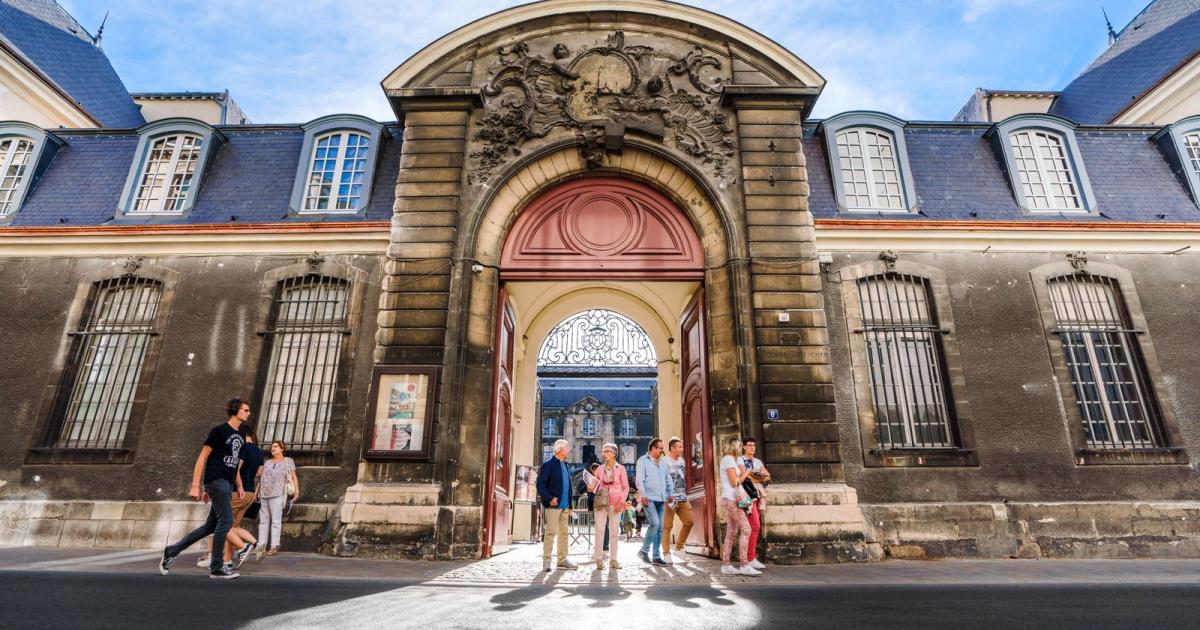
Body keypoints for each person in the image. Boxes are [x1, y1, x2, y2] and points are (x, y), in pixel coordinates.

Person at [159, 398, 256, 580]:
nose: (248, 413)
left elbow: (234, 463)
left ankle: (171, 551)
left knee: (210, 525)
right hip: (217, 481)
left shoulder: (242, 435)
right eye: (246, 410)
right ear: (235, 411)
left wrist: (240, 485)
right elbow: (203, 457)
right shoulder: (219, 431)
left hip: (225, 484)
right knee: (226, 521)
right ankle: (217, 567)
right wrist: (197, 485)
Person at [195, 428, 262, 569]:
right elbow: (260, 473)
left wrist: (238, 485)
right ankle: (227, 560)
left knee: (221, 524)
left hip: (237, 492)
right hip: (249, 493)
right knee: (232, 527)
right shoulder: (259, 452)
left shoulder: (242, 448)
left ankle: (240, 548)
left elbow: (235, 469)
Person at [719, 437, 760, 576]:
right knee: (747, 529)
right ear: (734, 447)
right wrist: (746, 473)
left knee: (731, 531)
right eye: (739, 446)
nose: (740, 448)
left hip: (730, 499)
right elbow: (734, 482)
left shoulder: (728, 460)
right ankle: (744, 564)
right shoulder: (729, 460)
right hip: (731, 499)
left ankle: (726, 564)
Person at [535, 439, 577, 572]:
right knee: (550, 533)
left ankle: (562, 560)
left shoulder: (565, 465)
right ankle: (546, 561)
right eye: (567, 448)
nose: (569, 450)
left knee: (564, 533)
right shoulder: (548, 465)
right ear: (559, 450)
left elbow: (568, 486)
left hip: (565, 506)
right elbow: (540, 484)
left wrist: (570, 505)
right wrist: (549, 498)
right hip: (553, 505)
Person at [256, 439, 298, 559]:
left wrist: (296, 491)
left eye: (275, 446)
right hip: (264, 493)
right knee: (263, 521)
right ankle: (261, 546)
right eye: (272, 447)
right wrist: (256, 492)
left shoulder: (288, 461)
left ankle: (274, 546)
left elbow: (293, 477)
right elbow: (262, 478)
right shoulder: (268, 462)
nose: (273, 448)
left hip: (277, 493)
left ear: (282, 448)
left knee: (276, 521)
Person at [634, 438, 674, 565]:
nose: (662, 450)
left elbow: (668, 479)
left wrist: (671, 493)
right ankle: (644, 550)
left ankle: (656, 556)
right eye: (660, 448)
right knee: (655, 524)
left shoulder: (663, 463)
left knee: (660, 528)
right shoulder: (642, 461)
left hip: (661, 499)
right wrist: (643, 494)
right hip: (649, 498)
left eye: (662, 448)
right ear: (652, 448)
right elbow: (639, 479)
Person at [591, 443, 628, 569]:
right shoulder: (599, 469)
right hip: (601, 502)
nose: (604, 453)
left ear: (614, 454)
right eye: (603, 451)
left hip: (616, 503)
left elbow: (626, 487)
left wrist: (622, 502)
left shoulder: (621, 468)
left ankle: (613, 560)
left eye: (607, 451)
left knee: (614, 533)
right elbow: (595, 486)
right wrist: (591, 487)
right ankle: (599, 560)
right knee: (599, 531)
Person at [661, 436, 694, 563]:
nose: (682, 449)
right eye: (680, 446)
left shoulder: (682, 461)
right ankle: (666, 553)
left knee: (689, 521)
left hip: (682, 498)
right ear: (672, 448)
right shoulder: (663, 461)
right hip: (669, 498)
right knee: (667, 526)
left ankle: (679, 548)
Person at [741, 436, 770, 571]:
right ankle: (749, 558)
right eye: (749, 445)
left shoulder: (757, 461)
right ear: (744, 446)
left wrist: (754, 475)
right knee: (754, 526)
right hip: (746, 494)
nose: (752, 447)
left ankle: (749, 557)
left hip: (757, 494)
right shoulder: (740, 460)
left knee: (753, 526)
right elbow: (743, 476)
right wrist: (757, 475)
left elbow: (768, 476)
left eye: (754, 445)